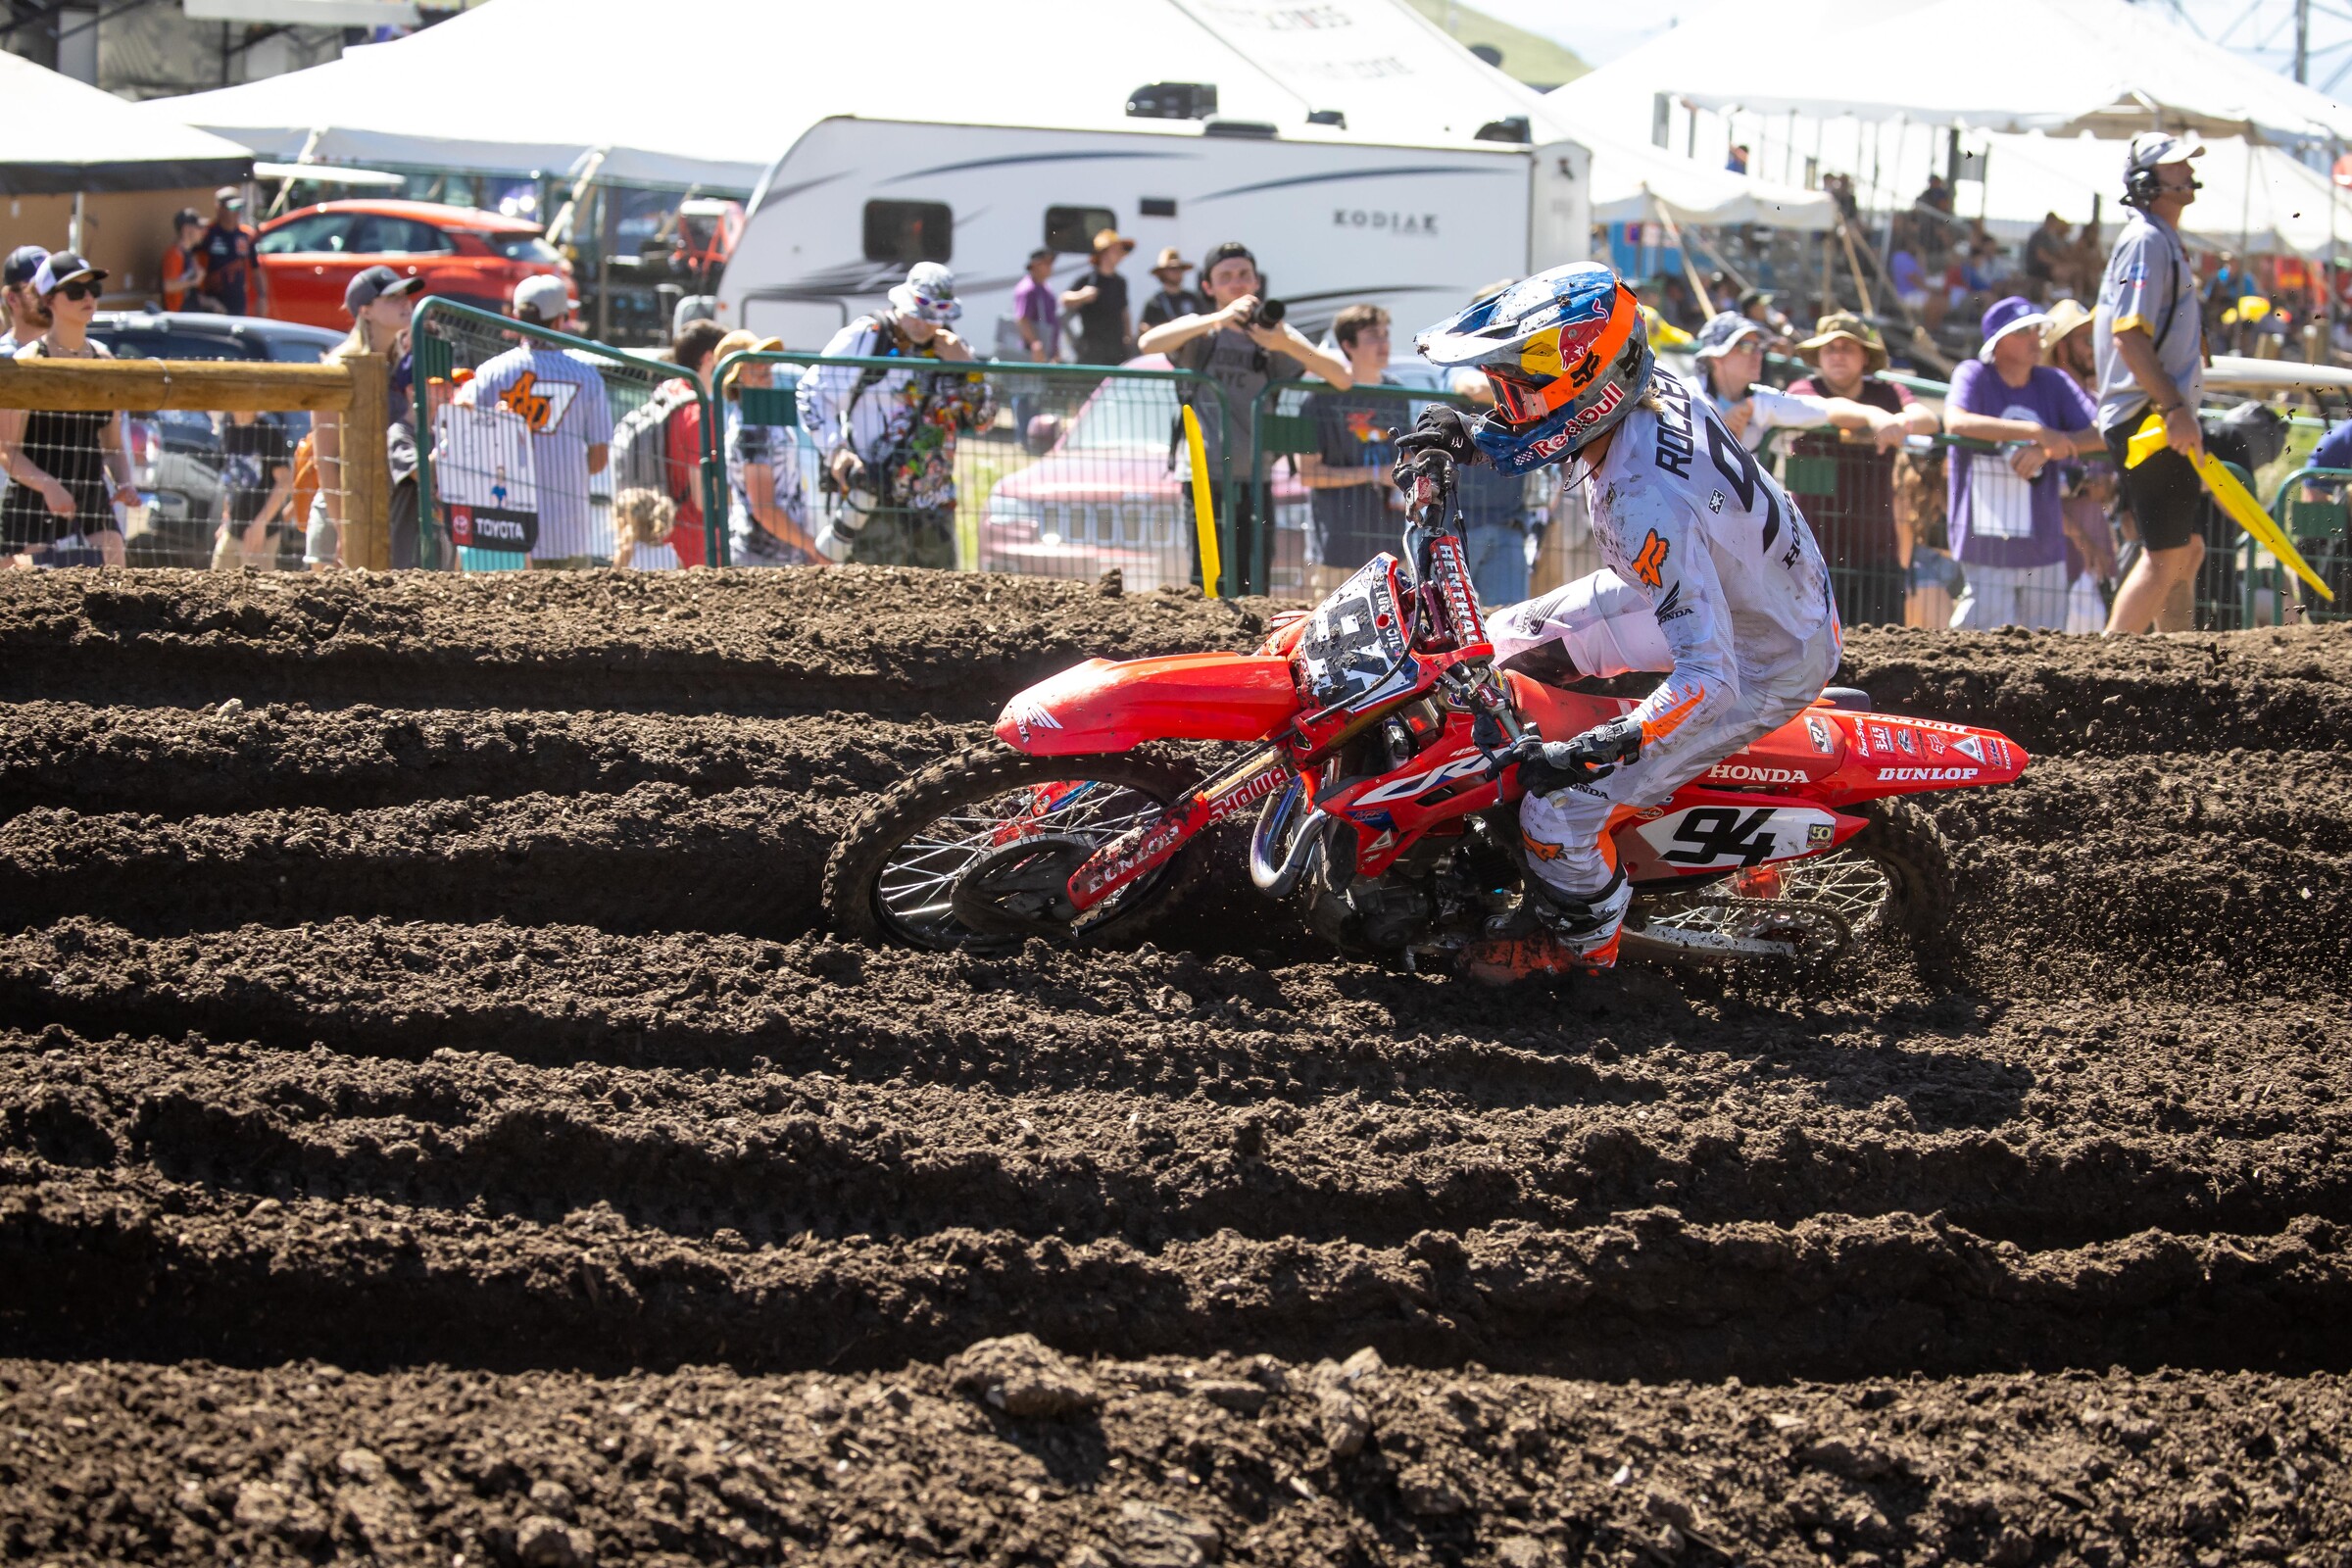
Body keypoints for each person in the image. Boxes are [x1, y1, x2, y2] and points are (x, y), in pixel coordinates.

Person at [1399, 263, 1841, 979]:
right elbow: (1558, 423)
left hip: (1763, 657)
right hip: (1721, 586)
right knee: (1501, 646)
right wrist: (1472, 437)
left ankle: (1577, 950)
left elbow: (1710, 676)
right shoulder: (1641, 384)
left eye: (1521, 389)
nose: (1508, 404)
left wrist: (1606, 743)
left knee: (1561, 809)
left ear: (1587, 384)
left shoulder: (1642, 500)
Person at [1137, 241, 1353, 589]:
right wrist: (1219, 318)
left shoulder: (1275, 334)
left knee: (1255, 586)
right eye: (1226, 277)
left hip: (1257, 475)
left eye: (1244, 275)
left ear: (1256, 282)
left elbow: (1342, 377)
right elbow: (1148, 344)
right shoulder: (1201, 329)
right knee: (1207, 581)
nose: (1237, 283)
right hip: (1204, 475)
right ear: (1208, 287)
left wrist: (1284, 344)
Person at [800, 262, 995, 569]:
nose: (922, 325)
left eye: (933, 318)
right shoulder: (869, 336)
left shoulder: (954, 349)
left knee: (941, 604)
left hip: (935, 507)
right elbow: (812, 392)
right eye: (916, 314)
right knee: (871, 599)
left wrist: (967, 367)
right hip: (875, 498)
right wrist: (835, 451)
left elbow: (983, 420)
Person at [2093, 131, 2208, 635]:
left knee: (2187, 550)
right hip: (2150, 416)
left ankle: (2171, 656)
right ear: (2146, 181)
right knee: (2166, 556)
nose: (2187, 171)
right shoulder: (2147, 239)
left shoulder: (2161, 238)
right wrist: (2174, 409)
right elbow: (2129, 338)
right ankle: (2107, 662)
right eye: (2174, 165)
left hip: (2155, 413)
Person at [1940, 296, 2101, 629]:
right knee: (1979, 646)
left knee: (2044, 645)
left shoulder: (2053, 382)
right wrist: (2035, 432)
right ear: (1997, 342)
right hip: (1985, 544)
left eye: (2037, 329)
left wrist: (2048, 450)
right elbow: (1955, 422)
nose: (2036, 338)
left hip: (2043, 543)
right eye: (2024, 331)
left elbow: (2101, 432)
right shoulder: (1973, 375)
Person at [1786, 312, 1937, 625]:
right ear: (1819, 356)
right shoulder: (1803, 390)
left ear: (1864, 357)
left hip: (1877, 549)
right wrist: (1875, 419)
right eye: (1830, 349)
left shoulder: (1888, 393)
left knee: (1881, 642)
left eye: (1847, 348)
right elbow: (1827, 410)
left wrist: (1899, 423)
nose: (1838, 355)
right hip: (1814, 550)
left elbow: (1929, 419)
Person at [455, 273, 612, 569]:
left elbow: (461, 424)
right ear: (559, 321)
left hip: (506, 527)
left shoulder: (490, 372)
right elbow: (598, 460)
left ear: (516, 318)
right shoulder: (587, 376)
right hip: (568, 528)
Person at [0, 253, 137, 568]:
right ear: (49, 300)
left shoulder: (105, 362)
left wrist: (125, 483)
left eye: (93, 290)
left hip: (90, 495)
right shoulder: (28, 362)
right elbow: (8, 451)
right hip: (32, 504)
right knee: (35, 607)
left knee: (116, 585)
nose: (88, 297)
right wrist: (48, 486)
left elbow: (113, 446)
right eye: (75, 291)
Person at [308, 265, 423, 571]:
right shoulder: (338, 367)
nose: (405, 302)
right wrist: (345, 530)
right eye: (392, 297)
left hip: (393, 510)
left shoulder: (406, 366)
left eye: (405, 295)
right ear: (366, 311)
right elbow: (327, 459)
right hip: (341, 510)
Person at [1685, 311, 1898, 454]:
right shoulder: (1682, 396)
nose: (1758, 354)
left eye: (1760, 347)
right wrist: (1717, 436)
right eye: (1746, 346)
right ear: (1715, 357)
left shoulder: (1763, 399)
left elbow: (1828, 408)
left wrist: (1875, 415)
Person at [1298, 304, 1401, 597]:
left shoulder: (1399, 393)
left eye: (1385, 334)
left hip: (1391, 548)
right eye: (1372, 336)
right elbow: (1309, 475)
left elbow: (1402, 460)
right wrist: (1373, 473)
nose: (1383, 343)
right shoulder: (1318, 399)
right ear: (1347, 345)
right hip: (1337, 550)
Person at [2042, 297, 2122, 630]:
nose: (2094, 348)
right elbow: (2043, 490)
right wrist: (2082, 539)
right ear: (2062, 349)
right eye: (2085, 339)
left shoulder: (2093, 401)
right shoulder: (2049, 405)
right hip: (2058, 556)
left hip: (2090, 556)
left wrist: (2110, 487)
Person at [714, 329, 816, 566]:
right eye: (753, 363)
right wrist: (813, 548)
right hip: (762, 558)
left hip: (781, 554)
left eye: (764, 360)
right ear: (737, 378)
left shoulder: (762, 418)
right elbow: (764, 509)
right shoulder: (750, 431)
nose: (764, 368)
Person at [659, 317, 727, 567]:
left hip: (668, 537)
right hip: (696, 546)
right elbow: (703, 499)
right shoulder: (699, 413)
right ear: (709, 358)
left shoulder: (668, 393)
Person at [210, 409, 294, 569]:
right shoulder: (228, 428)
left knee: (255, 590)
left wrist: (260, 524)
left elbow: (284, 482)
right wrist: (225, 519)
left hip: (260, 533)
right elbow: (229, 478)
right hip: (231, 529)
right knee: (217, 584)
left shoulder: (268, 433)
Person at [1061, 228, 1135, 367]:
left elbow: (1124, 311)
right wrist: (1082, 295)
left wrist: (1128, 336)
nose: (1120, 254)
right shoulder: (1087, 279)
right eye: (1115, 249)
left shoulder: (1120, 282)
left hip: (1116, 348)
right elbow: (1064, 299)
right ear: (1104, 253)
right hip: (1092, 348)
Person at [200, 186, 261, 318]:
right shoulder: (207, 234)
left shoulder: (245, 235)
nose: (237, 212)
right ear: (219, 208)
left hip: (238, 304)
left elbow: (256, 269)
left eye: (240, 207)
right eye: (232, 207)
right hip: (214, 305)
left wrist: (262, 296)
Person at [160, 210, 216, 314]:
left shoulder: (191, 256)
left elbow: (192, 293)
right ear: (186, 229)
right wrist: (193, 282)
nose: (203, 232)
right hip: (177, 318)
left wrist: (211, 302)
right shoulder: (174, 254)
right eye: (199, 228)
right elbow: (168, 286)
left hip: (191, 315)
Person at [1011, 248, 1059, 363]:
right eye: (1046, 263)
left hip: (1046, 351)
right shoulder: (1027, 289)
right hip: (1029, 354)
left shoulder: (1046, 289)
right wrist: (1035, 344)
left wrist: (1055, 349)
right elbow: (1022, 320)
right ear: (1035, 265)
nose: (1050, 267)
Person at [1139, 247, 1203, 332]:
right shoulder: (1154, 303)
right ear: (1162, 273)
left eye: (1179, 268)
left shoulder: (1193, 298)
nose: (1177, 272)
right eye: (1172, 269)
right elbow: (1144, 329)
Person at [0, 245, 49, 358]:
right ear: (12, 299)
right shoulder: (4, 358)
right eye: (37, 289)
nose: (49, 295)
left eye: (53, 287)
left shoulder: (83, 353)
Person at [2023, 213, 2070, 300]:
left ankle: (2062, 293)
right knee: (2059, 270)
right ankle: (2057, 295)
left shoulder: (2052, 236)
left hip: (2047, 266)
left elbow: (2060, 253)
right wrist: (2057, 263)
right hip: (2036, 267)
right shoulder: (2040, 235)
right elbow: (2041, 256)